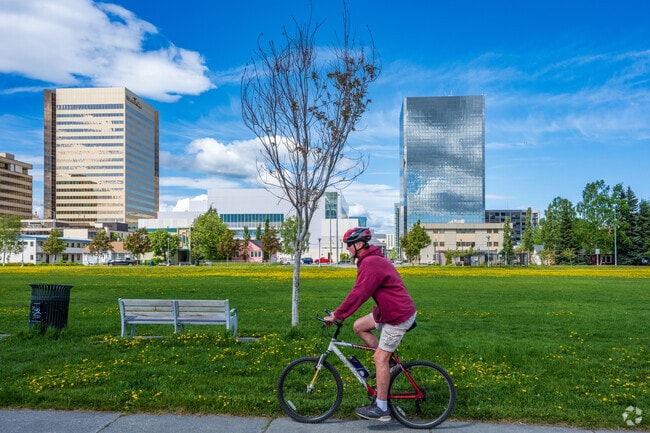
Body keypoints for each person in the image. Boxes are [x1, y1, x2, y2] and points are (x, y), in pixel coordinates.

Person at [324, 227, 416, 422]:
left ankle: (381, 407)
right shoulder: (369, 260)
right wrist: (341, 315)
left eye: (349, 245)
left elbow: (359, 294)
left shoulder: (372, 263)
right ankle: (389, 362)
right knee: (359, 326)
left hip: (398, 316)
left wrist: (338, 315)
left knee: (379, 359)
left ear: (358, 245)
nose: (347, 249)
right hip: (388, 310)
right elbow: (360, 291)